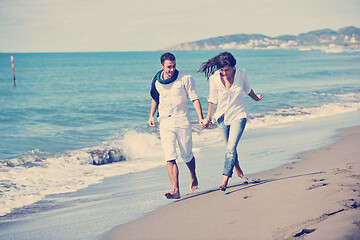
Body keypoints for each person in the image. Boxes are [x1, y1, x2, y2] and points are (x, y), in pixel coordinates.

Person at [199, 52, 263, 191]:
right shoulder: (214, 78)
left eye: (226, 70)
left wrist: (256, 99)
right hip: (221, 117)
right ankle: (238, 168)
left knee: (230, 147)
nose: (224, 73)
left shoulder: (241, 74)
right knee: (230, 147)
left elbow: (247, 89)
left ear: (233, 67)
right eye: (221, 70)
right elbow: (212, 99)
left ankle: (225, 180)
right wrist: (207, 118)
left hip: (239, 114)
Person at [149, 52, 205, 199]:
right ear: (162, 66)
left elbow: (194, 98)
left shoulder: (185, 78)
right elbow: (156, 98)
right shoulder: (156, 81)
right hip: (165, 120)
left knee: (186, 154)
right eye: (169, 67)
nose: (172, 69)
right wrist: (151, 115)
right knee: (169, 155)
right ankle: (175, 190)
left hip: (182, 120)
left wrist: (201, 117)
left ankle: (193, 174)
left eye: (174, 66)